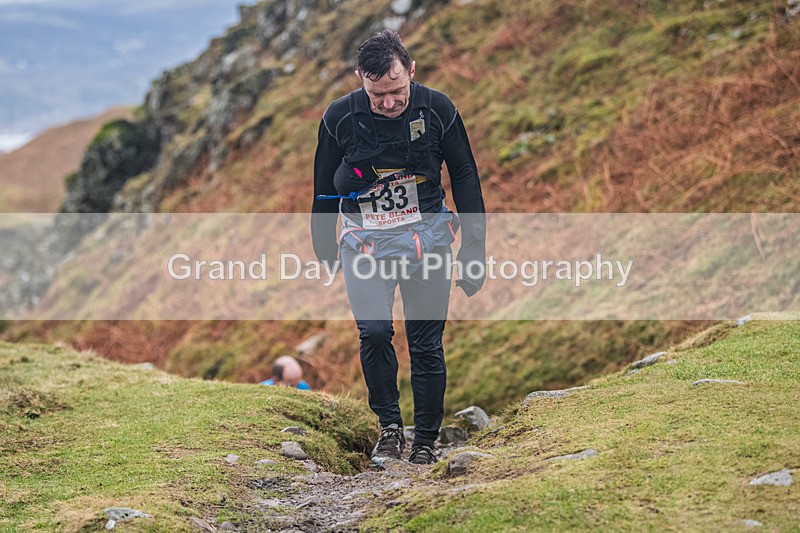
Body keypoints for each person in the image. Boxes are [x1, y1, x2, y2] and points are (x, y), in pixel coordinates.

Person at [311, 29, 485, 464]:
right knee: (372, 332)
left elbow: (464, 176)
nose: (388, 102)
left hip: (427, 238)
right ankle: (389, 430)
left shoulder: (438, 108)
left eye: (395, 91)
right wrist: (323, 246)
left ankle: (424, 441)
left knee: (425, 343)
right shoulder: (339, 117)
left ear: (410, 71)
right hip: (363, 241)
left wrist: (475, 249)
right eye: (376, 95)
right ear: (360, 80)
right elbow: (321, 188)